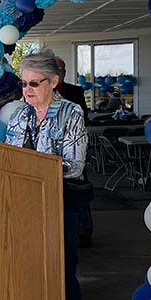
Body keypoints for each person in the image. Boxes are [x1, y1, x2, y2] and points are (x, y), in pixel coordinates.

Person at [5, 49, 88, 300]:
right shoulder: (19, 114)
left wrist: (31, 167)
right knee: (28, 279)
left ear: (53, 82)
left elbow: (74, 165)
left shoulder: (71, 114)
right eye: (23, 83)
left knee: (62, 278)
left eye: (34, 83)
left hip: (62, 204)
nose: (27, 90)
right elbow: (8, 158)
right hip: (25, 206)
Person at [56, 57, 94, 248]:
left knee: (78, 190)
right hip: (51, 153)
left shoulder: (75, 92)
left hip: (74, 151)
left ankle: (84, 233)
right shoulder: (40, 92)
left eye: (60, 69)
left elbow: (83, 118)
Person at [56, 57, 88, 122]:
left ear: (64, 73)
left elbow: (83, 115)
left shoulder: (76, 91)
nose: (56, 73)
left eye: (59, 69)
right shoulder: (40, 91)